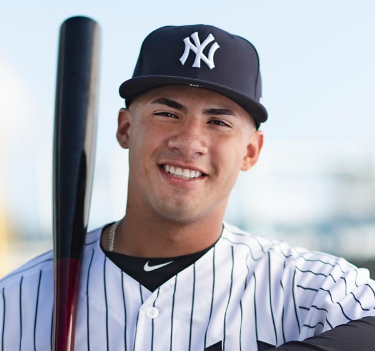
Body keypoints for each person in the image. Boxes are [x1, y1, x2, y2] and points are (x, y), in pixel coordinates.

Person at [1, 24, 374, 351]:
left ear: (250, 151)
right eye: (167, 114)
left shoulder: (310, 289)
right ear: (125, 128)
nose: (189, 140)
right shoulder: (14, 301)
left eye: (218, 122)